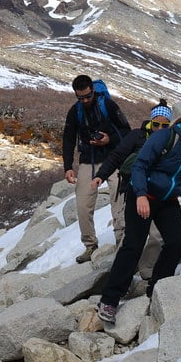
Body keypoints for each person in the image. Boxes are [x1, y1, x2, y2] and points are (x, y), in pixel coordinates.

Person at [97, 103, 181, 324]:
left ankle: (156, 289)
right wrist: (140, 194)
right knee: (133, 244)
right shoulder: (165, 138)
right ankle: (109, 300)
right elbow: (140, 165)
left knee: (176, 243)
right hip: (143, 196)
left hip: (167, 201)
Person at [92, 100, 181, 276]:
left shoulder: (171, 141)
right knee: (128, 234)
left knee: (157, 234)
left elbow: (178, 174)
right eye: (156, 124)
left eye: (164, 125)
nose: (160, 128)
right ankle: (119, 273)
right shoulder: (136, 136)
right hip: (132, 191)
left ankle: (147, 269)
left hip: (158, 194)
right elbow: (117, 156)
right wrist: (101, 175)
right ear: (151, 122)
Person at [62, 75, 132, 263]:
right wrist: (68, 167)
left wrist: (109, 139)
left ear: (93, 90)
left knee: (118, 199)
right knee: (83, 205)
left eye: (87, 96)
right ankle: (90, 246)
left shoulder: (108, 105)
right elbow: (68, 139)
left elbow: (127, 131)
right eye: (80, 98)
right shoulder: (75, 112)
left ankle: (122, 242)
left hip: (114, 157)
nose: (85, 100)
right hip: (88, 161)